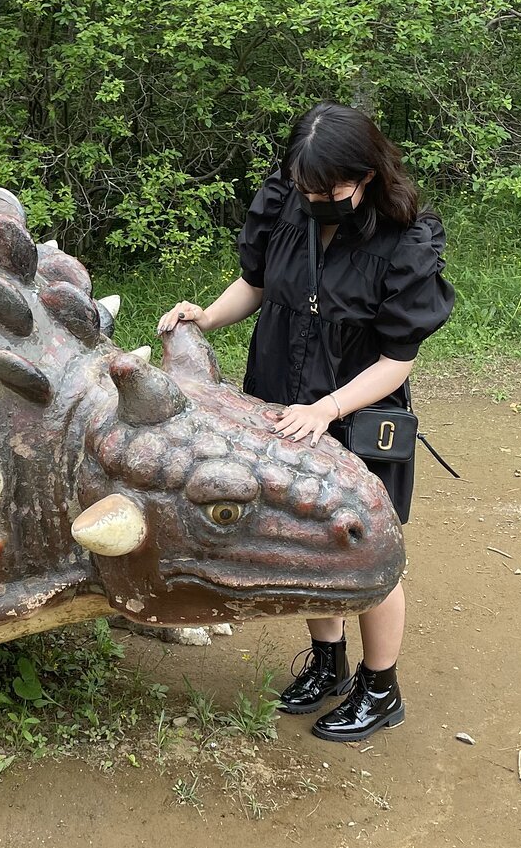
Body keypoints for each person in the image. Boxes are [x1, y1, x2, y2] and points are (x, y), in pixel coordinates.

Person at [156, 102, 454, 742]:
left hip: (352, 412)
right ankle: (328, 665)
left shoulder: (405, 240)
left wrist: (327, 409)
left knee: (362, 543)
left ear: (367, 177)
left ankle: (381, 688)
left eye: (330, 191)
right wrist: (206, 316)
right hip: (281, 402)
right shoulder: (285, 204)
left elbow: (396, 360)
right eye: (306, 188)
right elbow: (257, 285)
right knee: (307, 539)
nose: (315, 200)